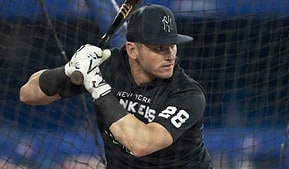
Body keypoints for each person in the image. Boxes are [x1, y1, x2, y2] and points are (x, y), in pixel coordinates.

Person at [20, 4, 213, 169]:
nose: (170, 55)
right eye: (159, 48)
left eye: (172, 45)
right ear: (132, 50)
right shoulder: (109, 67)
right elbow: (28, 94)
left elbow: (141, 143)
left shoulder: (187, 93)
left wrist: (98, 87)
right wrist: (69, 69)